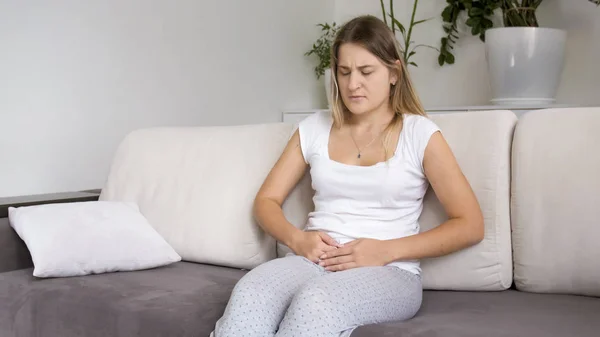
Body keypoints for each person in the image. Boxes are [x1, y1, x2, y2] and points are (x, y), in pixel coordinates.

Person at [210, 14, 484, 337]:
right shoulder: (313, 128)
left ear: (394, 73)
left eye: (366, 72)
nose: (353, 84)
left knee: (315, 304)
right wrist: (298, 239)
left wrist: (385, 250)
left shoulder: (420, 134)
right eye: (344, 72)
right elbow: (266, 201)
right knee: (250, 292)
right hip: (314, 261)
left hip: (389, 271)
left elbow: (470, 224)